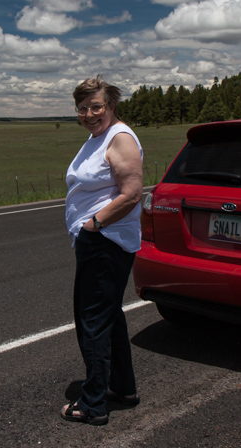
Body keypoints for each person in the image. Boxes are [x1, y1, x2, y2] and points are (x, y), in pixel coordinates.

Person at [61, 76, 143, 426]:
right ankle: (122, 388)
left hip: (105, 241)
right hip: (101, 240)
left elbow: (132, 193)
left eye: (97, 106)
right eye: (83, 108)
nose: (90, 113)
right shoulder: (99, 137)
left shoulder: (119, 137)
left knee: (92, 321)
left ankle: (92, 404)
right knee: (109, 317)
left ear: (111, 106)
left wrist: (93, 224)